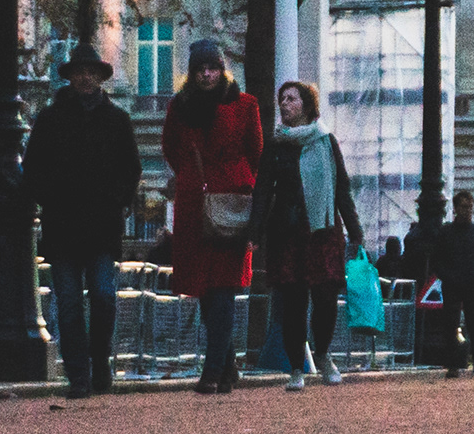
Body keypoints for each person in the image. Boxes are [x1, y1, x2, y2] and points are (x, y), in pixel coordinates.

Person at [19, 43, 140, 396]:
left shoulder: (117, 120)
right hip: (63, 226)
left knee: (103, 296)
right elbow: (33, 169)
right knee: (69, 303)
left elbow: (130, 169)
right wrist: (51, 198)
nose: (85, 78)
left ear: (100, 78)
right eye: (80, 73)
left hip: (101, 226)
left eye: (91, 73)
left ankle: (99, 360)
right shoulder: (50, 118)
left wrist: (115, 200)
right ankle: (78, 374)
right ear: (71, 77)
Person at [161, 39, 262, 394]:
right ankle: (228, 363)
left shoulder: (246, 105)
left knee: (223, 290)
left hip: (232, 204)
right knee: (205, 292)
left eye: (213, 67)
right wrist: (193, 178)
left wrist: (249, 200)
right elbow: (171, 149)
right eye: (201, 68)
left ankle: (213, 370)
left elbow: (256, 153)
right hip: (195, 204)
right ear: (192, 71)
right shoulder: (180, 106)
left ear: (222, 69)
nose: (207, 74)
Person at [254, 81, 360, 388]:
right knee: (293, 301)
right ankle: (297, 368)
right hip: (287, 233)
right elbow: (263, 189)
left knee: (326, 298)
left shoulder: (326, 141)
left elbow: (342, 188)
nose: (284, 104)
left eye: (291, 99)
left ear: (306, 104)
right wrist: (255, 230)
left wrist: (355, 231)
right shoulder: (275, 144)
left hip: (322, 230)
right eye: (282, 99)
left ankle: (324, 354)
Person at [418, 190, 474, 375]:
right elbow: (437, 259)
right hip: (455, 283)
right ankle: (455, 362)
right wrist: (448, 275)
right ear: (455, 209)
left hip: (469, 283)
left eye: (469, 207)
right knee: (451, 323)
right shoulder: (449, 232)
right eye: (463, 207)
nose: (467, 211)